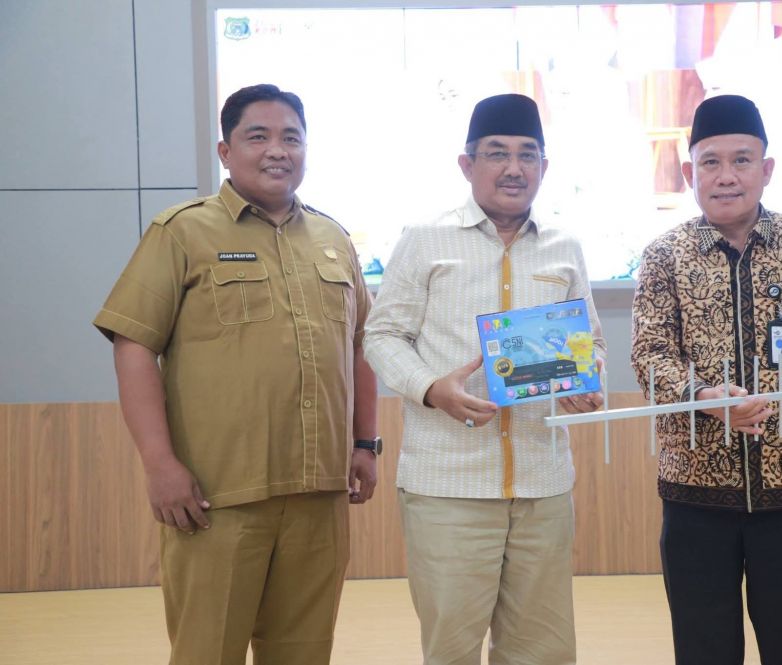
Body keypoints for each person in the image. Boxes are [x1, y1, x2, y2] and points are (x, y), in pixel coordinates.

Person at [93, 83, 379, 665]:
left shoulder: (334, 239)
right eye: (258, 136)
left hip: (318, 495)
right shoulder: (182, 232)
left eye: (291, 138)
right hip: (216, 498)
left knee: (304, 654)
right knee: (207, 652)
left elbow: (360, 346)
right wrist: (159, 464)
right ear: (225, 151)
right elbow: (133, 343)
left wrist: (364, 444)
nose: (278, 150)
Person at [363, 93, 606, 665]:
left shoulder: (565, 246)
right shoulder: (425, 238)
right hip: (448, 486)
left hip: (542, 486)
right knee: (451, 650)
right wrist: (431, 388)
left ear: (544, 166)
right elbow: (381, 335)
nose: (513, 168)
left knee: (542, 653)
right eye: (497, 153)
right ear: (467, 164)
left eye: (527, 155)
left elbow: (592, 342)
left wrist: (585, 378)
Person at [630, 94, 782, 665]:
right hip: (696, 492)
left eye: (742, 160)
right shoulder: (665, 255)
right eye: (710, 162)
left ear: (767, 169)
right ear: (689, 173)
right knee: (705, 648)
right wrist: (703, 398)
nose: (726, 176)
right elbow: (650, 354)